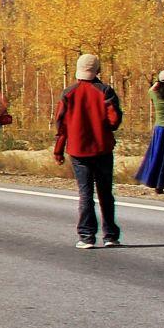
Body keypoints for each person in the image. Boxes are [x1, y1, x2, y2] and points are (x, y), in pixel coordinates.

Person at [53, 53, 124, 248]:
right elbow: (114, 121)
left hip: (78, 150)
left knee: (85, 194)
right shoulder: (105, 91)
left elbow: (61, 126)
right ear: (97, 70)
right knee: (105, 193)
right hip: (102, 148)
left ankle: (86, 236)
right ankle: (110, 236)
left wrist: (58, 151)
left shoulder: (68, 93)